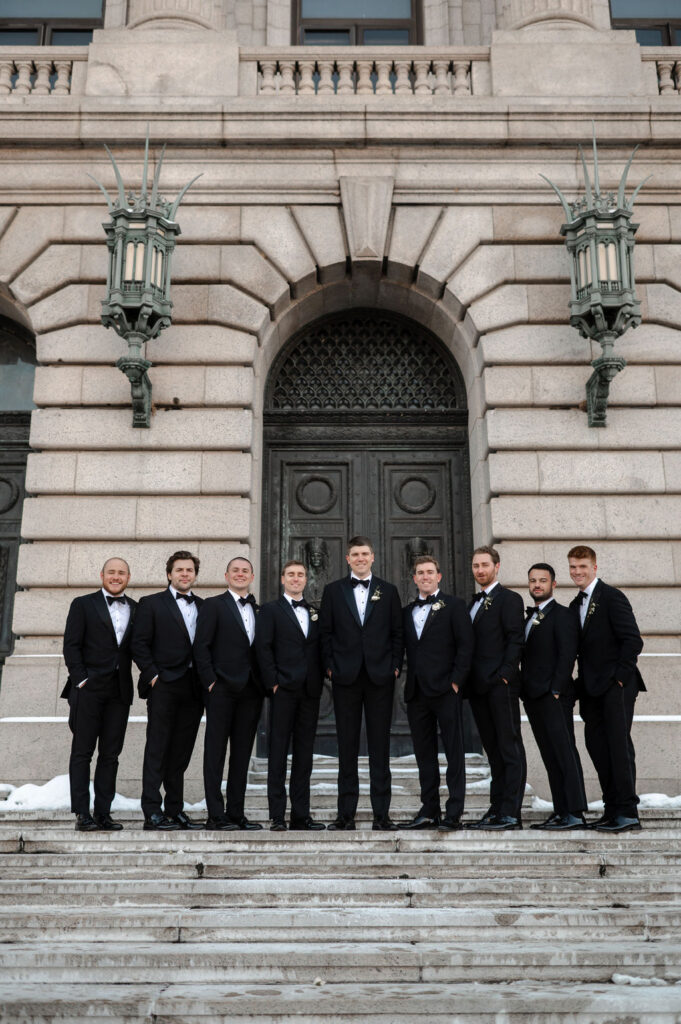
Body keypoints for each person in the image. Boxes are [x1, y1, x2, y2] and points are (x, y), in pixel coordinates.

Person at [319, 536, 403, 831]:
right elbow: (325, 633)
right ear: (347, 558)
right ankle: (346, 815)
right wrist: (330, 667)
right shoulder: (333, 591)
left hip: (380, 678)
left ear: (373, 557)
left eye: (365, 553)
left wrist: (394, 667)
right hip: (345, 678)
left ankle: (382, 815)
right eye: (355, 554)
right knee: (347, 748)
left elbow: (397, 633)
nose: (360, 558)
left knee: (380, 748)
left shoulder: (389, 591)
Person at [567, 545, 645, 833]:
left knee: (619, 747)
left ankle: (628, 812)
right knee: (598, 748)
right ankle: (612, 808)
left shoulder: (612, 597)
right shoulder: (576, 605)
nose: (577, 572)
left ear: (594, 567)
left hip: (616, 687)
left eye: (582, 566)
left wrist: (620, 680)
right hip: (591, 691)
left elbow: (632, 640)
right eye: (573, 567)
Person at [399, 556, 474, 832]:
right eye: (420, 573)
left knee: (454, 752)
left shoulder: (454, 606)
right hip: (417, 693)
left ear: (439, 576)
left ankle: (454, 811)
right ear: (414, 578)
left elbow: (466, 646)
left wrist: (456, 682)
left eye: (430, 572)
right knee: (424, 755)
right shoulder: (407, 612)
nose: (425, 576)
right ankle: (429, 809)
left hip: (446, 690)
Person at [62, 557, 137, 832]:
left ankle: (103, 812)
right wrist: (81, 680)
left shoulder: (137, 608)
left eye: (121, 573)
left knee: (110, 755)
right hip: (88, 689)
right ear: (102, 575)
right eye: (112, 572)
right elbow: (71, 645)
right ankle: (82, 813)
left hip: (119, 691)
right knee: (82, 753)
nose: (116, 577)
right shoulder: (83, 604)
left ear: (128, 577)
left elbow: (137, 648)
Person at [131, 551, 204, 831]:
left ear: (195, 575)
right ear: (169, 574)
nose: (185, 574)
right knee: (158, 748)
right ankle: (152, 811)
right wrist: (153, 677)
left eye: (189, 570)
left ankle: (175, 810)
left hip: (194, 687)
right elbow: (139, 644)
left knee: (181, 752)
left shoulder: (203, 605)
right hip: (164, 685)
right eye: (179, 570)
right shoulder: (151, 604)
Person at [194, 556, 264, 831]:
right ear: (226, 575)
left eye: (245, 570)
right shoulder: (213, 605)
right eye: (235, 570)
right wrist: (210, 681)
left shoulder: (259, 609)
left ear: (252, 577)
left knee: (242, 754)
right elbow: (201, 646)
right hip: (221, 689)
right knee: (215, 752)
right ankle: (215, 814)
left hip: (251, 690)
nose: (240, 574)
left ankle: (236, 813)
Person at [255, 560, 325, 831]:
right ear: (282, 579)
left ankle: (300, 815)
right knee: (278, 753)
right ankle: (277, 816)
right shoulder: (271, 610)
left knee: (304, 755)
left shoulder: (314, 612)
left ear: (306, 580)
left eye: (301, 575)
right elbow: (263, 648)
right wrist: (273, 683)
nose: (296, 579)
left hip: (310, 692)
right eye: (291, 575)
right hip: (283, 690)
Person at [521, 562, 587, 830]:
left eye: (543, 580)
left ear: (553, 584)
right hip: (534, 697)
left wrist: (557, 690)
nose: (537, 585)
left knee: (564, 753)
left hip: (554, 696)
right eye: (533, 580)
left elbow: (567, 654)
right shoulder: (529, 617)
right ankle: (561, 811)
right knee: (550, 755)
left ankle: (575, 812)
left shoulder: (562, 615)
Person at [466, 545, 526, 830]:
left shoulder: (509, 599)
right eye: (476, 566)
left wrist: (504, 675)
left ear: (496, 567)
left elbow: (516, 639)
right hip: (479, 689)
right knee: (493, 751)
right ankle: (496, 806)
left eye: (485, 565)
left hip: (501, 687)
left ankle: (511, 812)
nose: (480, 570)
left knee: (509, 747)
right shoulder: (472, 604)